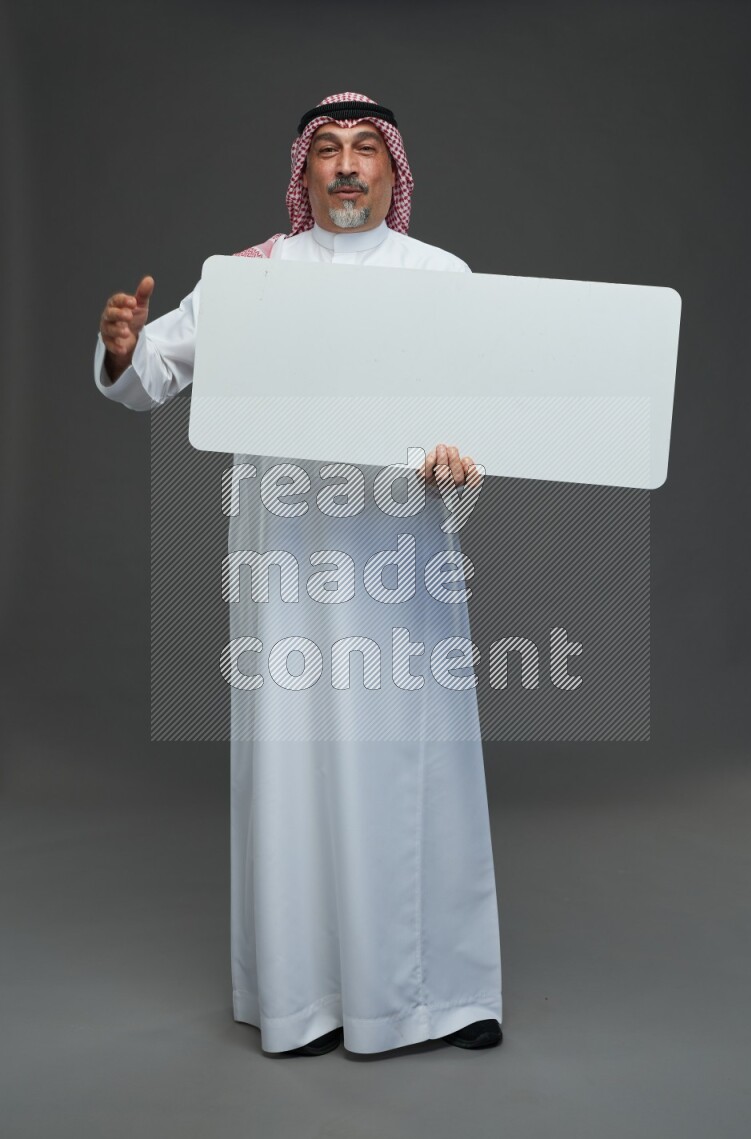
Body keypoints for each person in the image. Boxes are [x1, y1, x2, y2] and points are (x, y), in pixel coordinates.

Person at [95, 91, 503, 1056]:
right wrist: (121, 347)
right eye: (329, 150)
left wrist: (463, 453)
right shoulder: (250, 277)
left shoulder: (440, 276)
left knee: (419, 762)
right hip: (286, 566)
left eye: (367, 149)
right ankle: (305, 998)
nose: (349, 165)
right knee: (295, 763)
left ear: (394, 172)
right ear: (304, 172)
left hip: (399, 562)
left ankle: (446, 994)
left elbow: (487, 404)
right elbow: (154, 373)